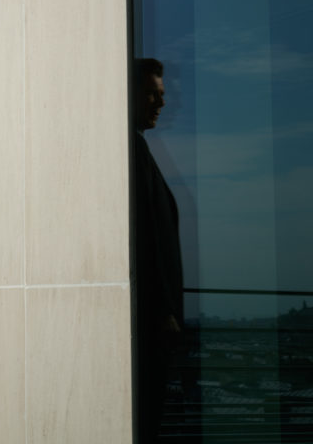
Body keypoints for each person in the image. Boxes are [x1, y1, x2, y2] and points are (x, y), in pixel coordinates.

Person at [134, 58, 183, 442]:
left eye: (161, 95)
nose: (161, 103)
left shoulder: (137, 148)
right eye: (152, 94)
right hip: (150, 321)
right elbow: (147, 235)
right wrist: (163, 310)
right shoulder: (132, 150)